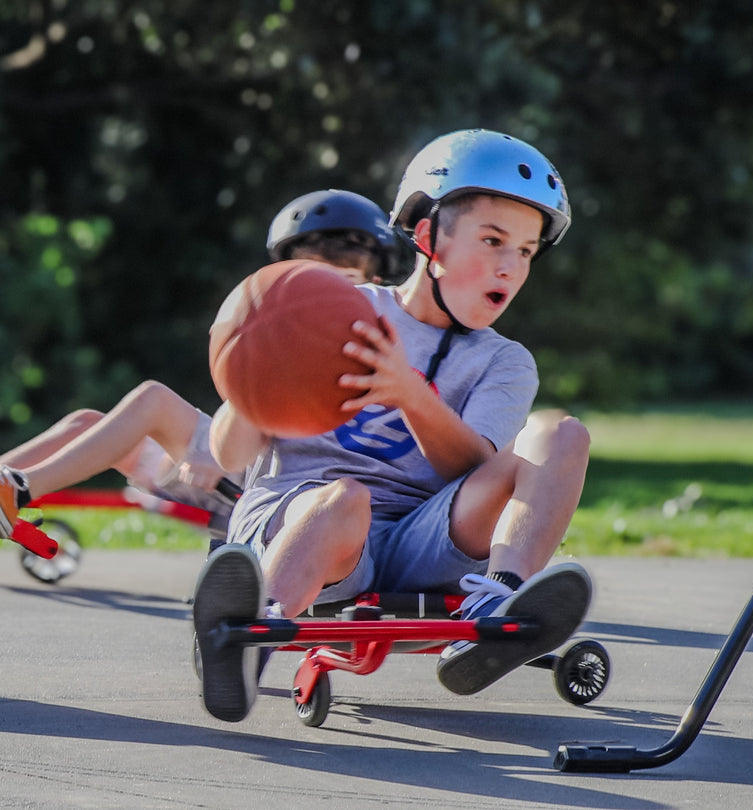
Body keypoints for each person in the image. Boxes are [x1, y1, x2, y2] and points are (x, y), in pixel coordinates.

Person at [193, 129, 593, 722]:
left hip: (421, 538)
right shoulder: (338, 309)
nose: (510, 266)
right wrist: (254, 379)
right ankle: (250, 634)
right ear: (428, 237)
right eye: (492, 240)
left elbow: (472, 468)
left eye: (527, 251)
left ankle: (500, 604)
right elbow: (228, 456)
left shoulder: (504, 361)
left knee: (562, 433)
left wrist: (409, 393)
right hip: (305, 523)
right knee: (344, 499)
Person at [0, 189, 409, 547]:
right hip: (238, 455)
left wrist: (218, 451)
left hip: (287, 488)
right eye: (311, 279)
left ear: (375, 283)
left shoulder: (381, 345)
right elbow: (250, 401)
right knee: (86, 423)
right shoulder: (290, 330)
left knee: (155, 400)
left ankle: (20, 491)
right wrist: (216, 440)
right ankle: (6, 485)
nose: (326, 294)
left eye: (344, 281)